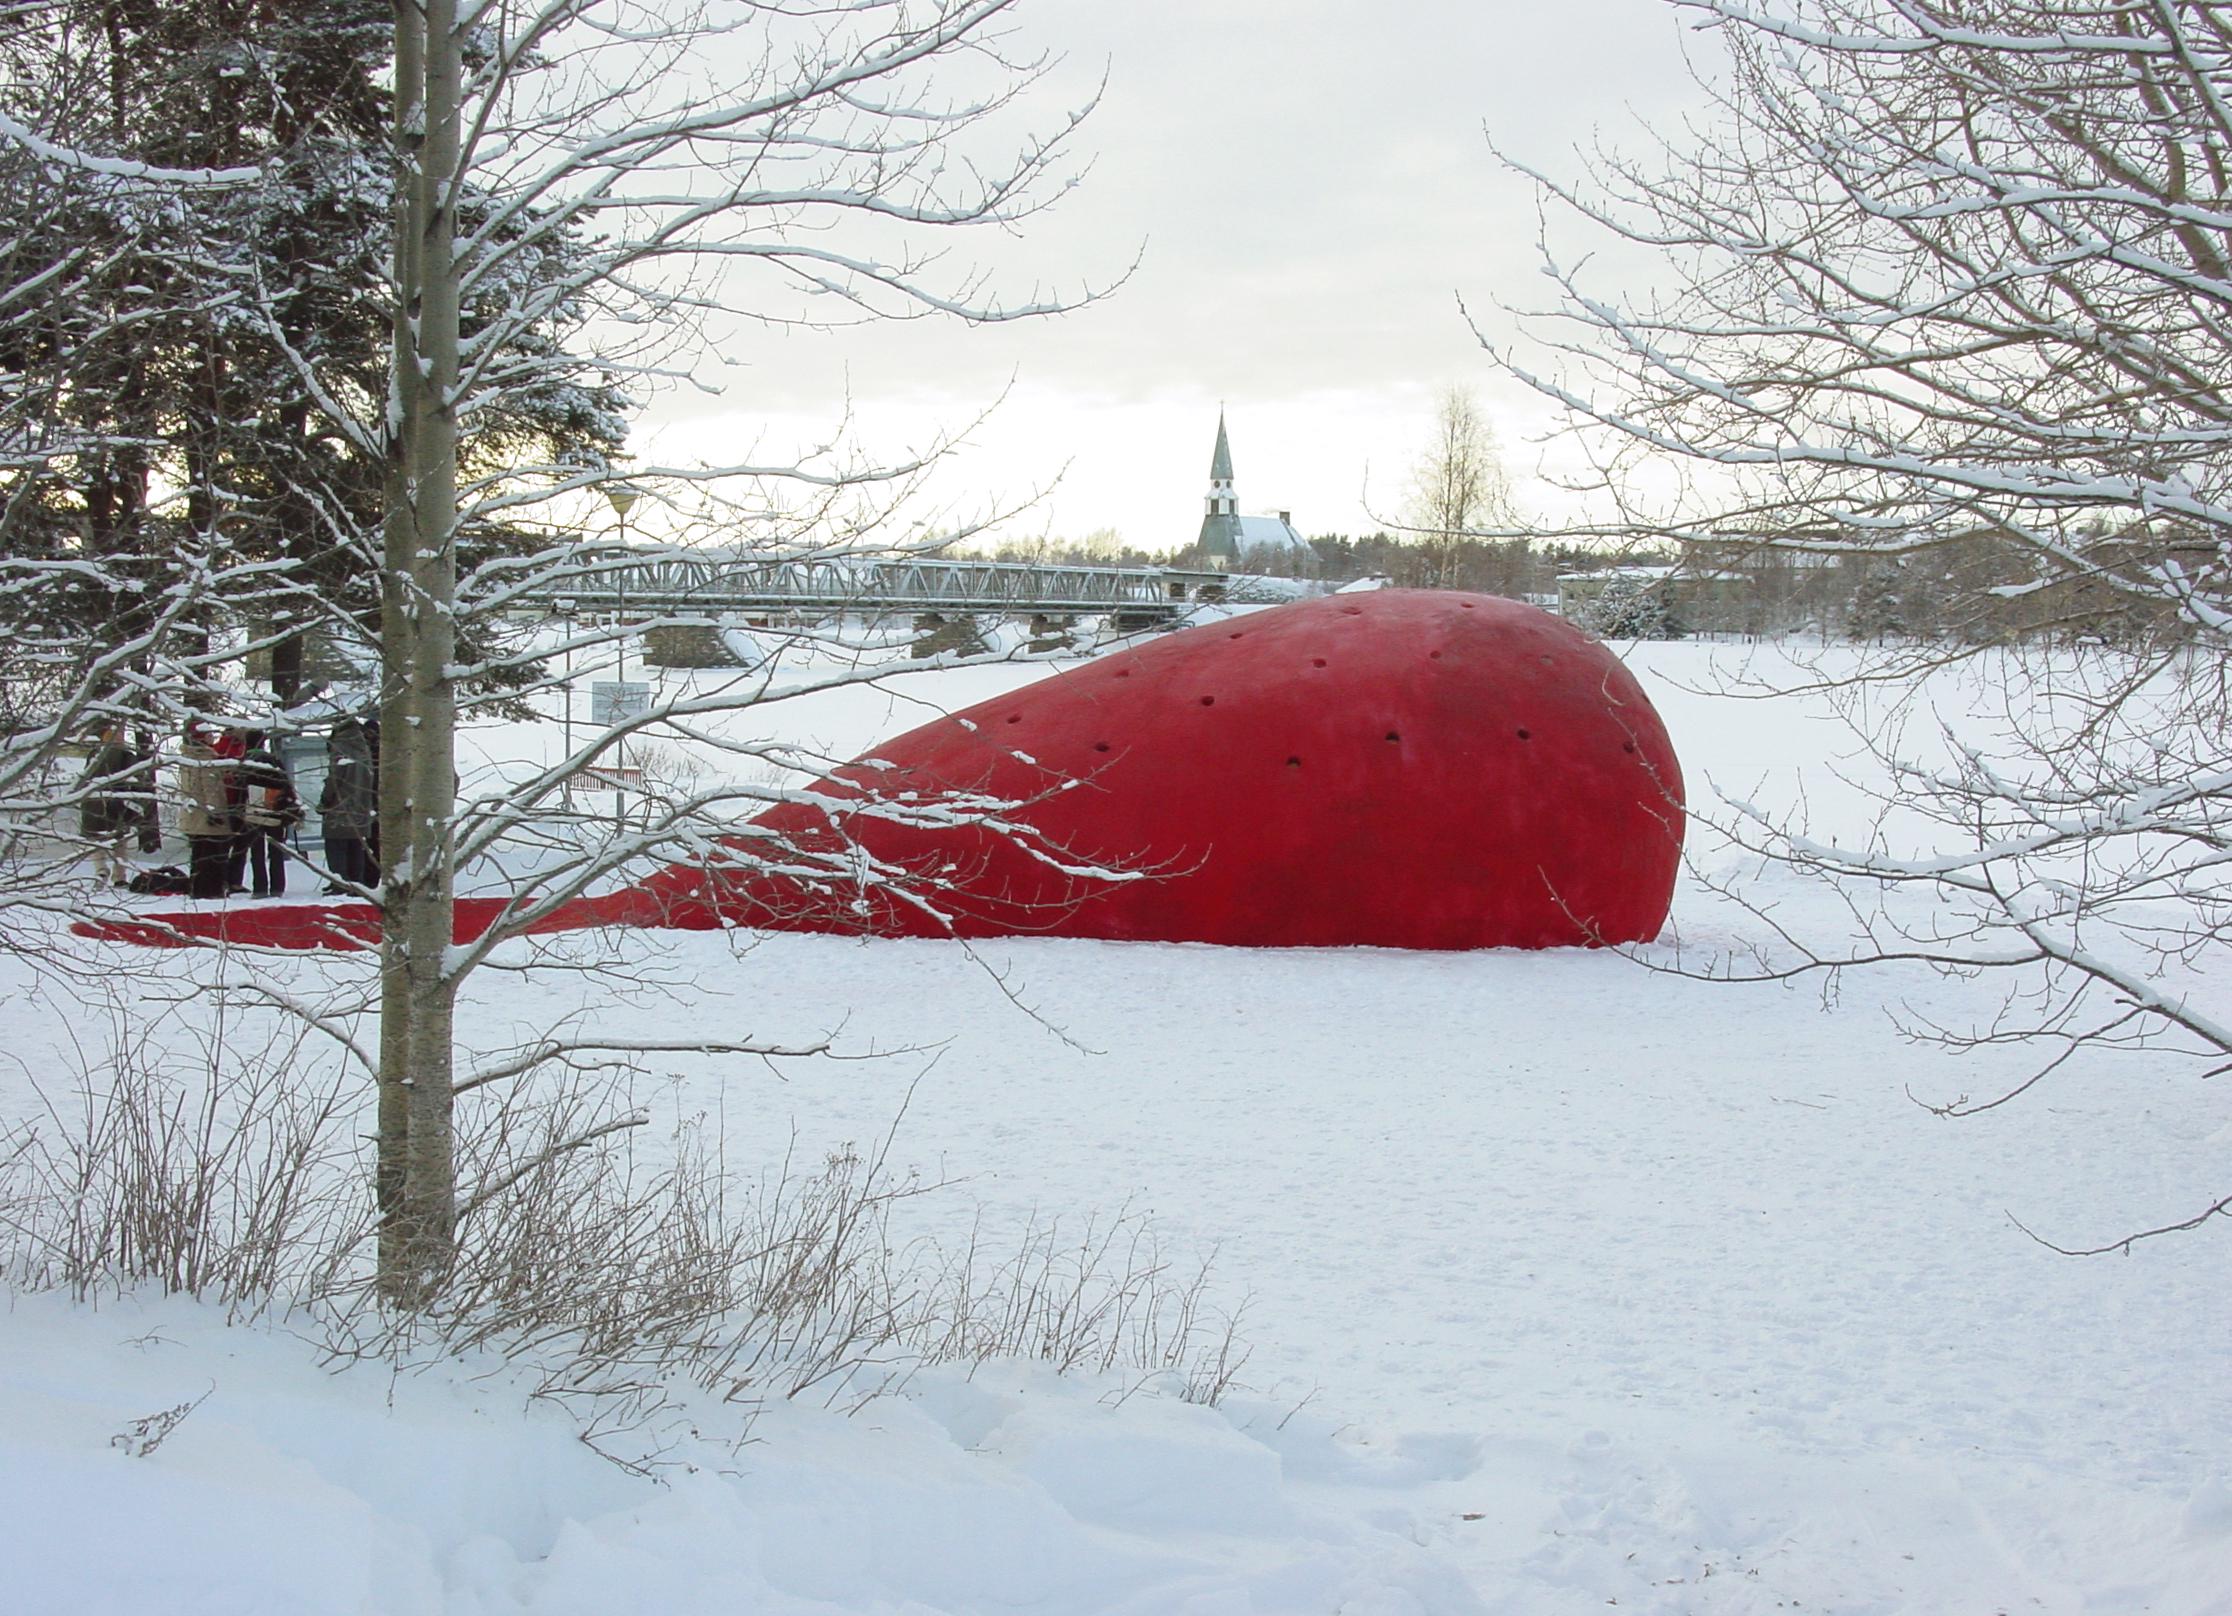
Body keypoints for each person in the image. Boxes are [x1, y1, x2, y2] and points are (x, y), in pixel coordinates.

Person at [75, 719, 144, 886]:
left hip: (93, 801)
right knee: (119, 841)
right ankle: (119, 876)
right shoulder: (126, 755)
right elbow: (134, 779)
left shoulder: (95, 753)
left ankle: (101, 870)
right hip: (115, 803)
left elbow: (86, 776)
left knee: (96, 839)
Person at [176, 722, 236, 900]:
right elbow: (211, 789)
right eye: (209, 734)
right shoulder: (205, 758)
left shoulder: (186, 757)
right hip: (207, 817)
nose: (213, 736)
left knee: (198, 854)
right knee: (212, 856)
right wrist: (215, 812)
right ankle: (211, 890)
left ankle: (197, 888)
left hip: (193, 815)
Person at [319, 716, 378, 893]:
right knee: (356, 847)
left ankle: (339, 882)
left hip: (340, 807)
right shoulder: (363, 748)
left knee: (336, 846)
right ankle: (356, 883)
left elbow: (334, 780)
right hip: (362, 807)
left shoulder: (340, 747)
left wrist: (324, 801)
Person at [238, 730, 299, 898]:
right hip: (274, 812)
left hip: (253, 813)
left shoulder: (245, 763)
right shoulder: (274, 761)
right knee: (276, 851)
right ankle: (277, 887)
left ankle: (260, 888)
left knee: (257, 853)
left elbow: (239, 790)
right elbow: (286, 785)